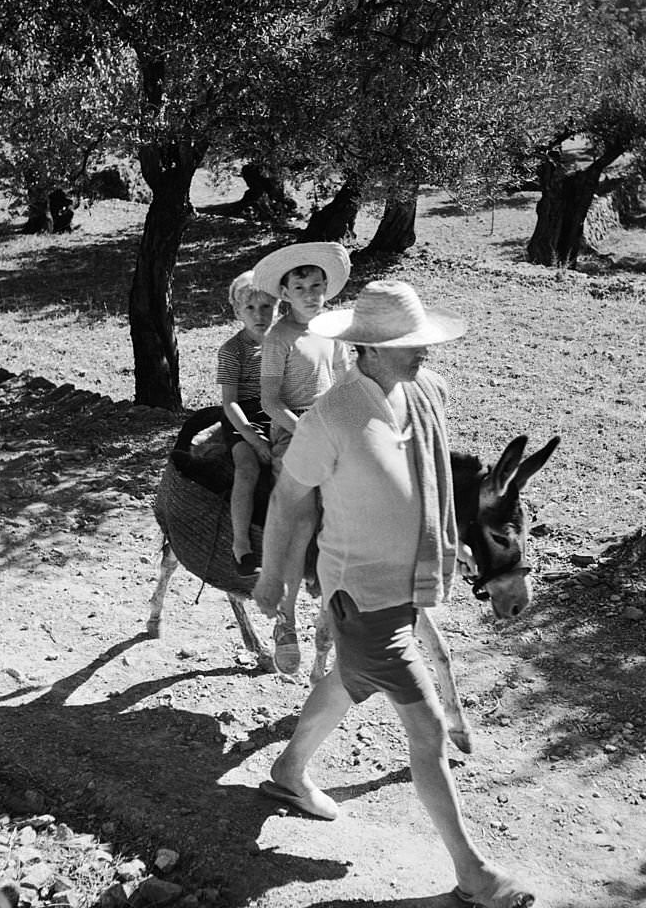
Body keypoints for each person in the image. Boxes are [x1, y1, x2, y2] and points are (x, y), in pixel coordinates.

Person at [253, 280, 535, 908]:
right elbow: (290, 499)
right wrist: (275, 575)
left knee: (351, 681)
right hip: (363, 595)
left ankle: (288, 772)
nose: (424, 351)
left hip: (408, 585)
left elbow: (426, 475)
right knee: (427, 730)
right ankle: (474, 877)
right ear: (369, 348)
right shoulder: (333, 417)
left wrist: (441, 537)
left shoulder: (426, 391)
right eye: (410, 344)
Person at [251, 241, 353, 673]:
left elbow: (346, 386)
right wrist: (307, 429)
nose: (310, 294)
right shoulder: (279, 338)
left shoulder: (334, 331)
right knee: (304, 512)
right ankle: (285, 619)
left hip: (335, 425)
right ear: (286, 293)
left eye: (317, 286)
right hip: (295, 431)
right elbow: (270, 402)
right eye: (301, 286)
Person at [216, 271, 279, 575]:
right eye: (251, 309)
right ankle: (241, 544)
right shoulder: (233, 350)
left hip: (277, 409)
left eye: (267, 307)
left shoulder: (282, 343)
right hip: (243, 415)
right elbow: (230, 402)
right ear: (237, 311)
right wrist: (253, 439)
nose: (260, 315)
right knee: (247, 467)